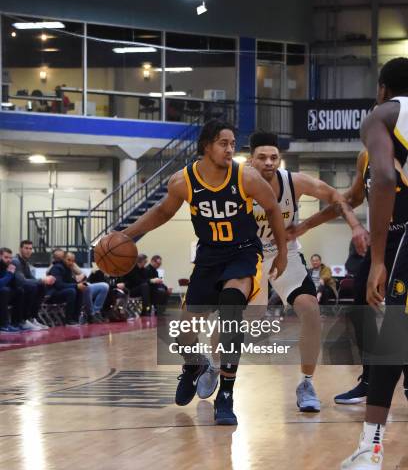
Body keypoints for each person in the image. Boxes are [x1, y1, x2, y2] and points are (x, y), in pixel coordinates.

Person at [103, 119, 288, 425]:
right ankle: (194, 366)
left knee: (231, 308)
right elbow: (162, 212)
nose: (230, 149)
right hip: (208, 256)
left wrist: (281, 252)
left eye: (232, 144)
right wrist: (128, 235)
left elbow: (271, 209)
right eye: (223, 143)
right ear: (206, 146)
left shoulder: (247, 176)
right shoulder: (182, 181)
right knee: (184, 333)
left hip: (242, 252)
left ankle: (225, 395)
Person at [247, 131, 366, 412]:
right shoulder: (237, 182)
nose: (268, 162)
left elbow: (337, 197)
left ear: (280, 159)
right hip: (247, 258)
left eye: (274, 157)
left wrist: (354, 226)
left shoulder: (293, 181)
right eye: (262, 157)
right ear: (251, 160)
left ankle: (306, 382)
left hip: (283, 254)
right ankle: (213, 367)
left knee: (311, 309)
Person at [290, 143, 408, 406]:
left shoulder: (402, 159)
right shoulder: (366, 157)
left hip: (406, 240)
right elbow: (352, 199)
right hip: (381, 241)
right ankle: (368, 379)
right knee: (359, 307)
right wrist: (306, 225)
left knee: (400, 313)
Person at [338, 57, 408, 470]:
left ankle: (370, 447)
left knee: (393, 337)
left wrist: (378, 258)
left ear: (382, 88)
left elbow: (383, 178)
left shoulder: (383, 114)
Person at [12, 239, 55, 330]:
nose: (28, 251)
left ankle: (32, 318)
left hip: (21, 289)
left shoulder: (25, 263)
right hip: (13, 290)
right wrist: (42, 280)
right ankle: (24, 320)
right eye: (26, 248)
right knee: (32, 287)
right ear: (20, 249)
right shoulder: (16, 261)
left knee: (41, 286)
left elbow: (31, 278)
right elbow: (21, 282)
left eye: (30, 249)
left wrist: (44, 281)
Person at [47, 251, 88, 325]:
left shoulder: (68, 269)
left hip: (62, 292)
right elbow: (58, 285)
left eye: (72, 261)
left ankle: (75, 318)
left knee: (79, 290)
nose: (71, 263)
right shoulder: (57, 268)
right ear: (63, 259)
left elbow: (71, 283)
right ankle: (68, 320)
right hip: (52, 294)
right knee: (72, 291)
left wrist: (80, 285)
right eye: (69, 260)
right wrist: (76, 286)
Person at [0, 247, 29, 333]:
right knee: (4, 291)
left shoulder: (9, 266)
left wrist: (17, 275)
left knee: (19, 291)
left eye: (10, 258)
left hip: (5, 294)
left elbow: (16, 283)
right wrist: (9, 274)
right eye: (6, 257)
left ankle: (16, 322)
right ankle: (3, 324)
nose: (9, 260)